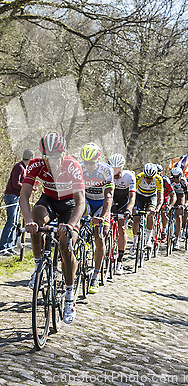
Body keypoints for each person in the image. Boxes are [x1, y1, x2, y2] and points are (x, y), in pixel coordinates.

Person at [20, 131, 85, 324]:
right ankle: (39, 264)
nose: (53, 162)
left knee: (66, 247)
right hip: (48, 200)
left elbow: (81, 202)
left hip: (70, 205)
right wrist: (27, 220)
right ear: (43, 155)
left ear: (63, 153)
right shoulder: (36, 164)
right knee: (37, 216)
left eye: (57, 157)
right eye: (49, 157)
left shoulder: (72, 166)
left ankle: (69, 295)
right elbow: (24, 195)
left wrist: (71, 225)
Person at [80, 142, 114, 294]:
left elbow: (109, 196)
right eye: (86, 163)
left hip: (101, 202)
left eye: (91, 163)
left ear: (98, 160)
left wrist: (104, 216)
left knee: (100, 235)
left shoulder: (106, 171)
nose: (88, 166)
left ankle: (95, 275)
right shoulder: (80, 168)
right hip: (86, 200)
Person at [0, 149, 34, 255]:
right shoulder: (19, 167)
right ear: (30, 158)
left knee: (14, 223)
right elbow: (16, 184)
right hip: (11, 196)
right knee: (10, 222)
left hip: (17, 197)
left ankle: (9, 246)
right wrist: (27, 187)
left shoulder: (24, 168)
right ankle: (3, 247)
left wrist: (30, 186)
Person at [108, 153, 136, 275]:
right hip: (112, 198)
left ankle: (119, 261)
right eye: (112, 169)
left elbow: (132, 197)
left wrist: (129, 210)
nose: (115, 172)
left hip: (124, 200)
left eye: (117, 169)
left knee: (122, 228)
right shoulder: (107, 174)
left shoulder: (129, 176)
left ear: (122, 167)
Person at [130, 163, 163, 254]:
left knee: (151, 214)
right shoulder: (139, 177)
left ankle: (148, 239)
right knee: (136, 218)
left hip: (152, 197)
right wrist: (131, 206)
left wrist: (157, 208)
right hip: (139, 196)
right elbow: (132, 193)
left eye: (151, 178)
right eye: (147, 177)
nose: (148, 180)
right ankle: (135, 242)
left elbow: (160, 196)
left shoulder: (158, 179)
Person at [169, 167, 188, 250]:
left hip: (181, 196)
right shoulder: (170, 181)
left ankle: (177, 239)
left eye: (177, 177)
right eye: (173, 177)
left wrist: (184, 205)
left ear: (181, 176)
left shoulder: (183, 182)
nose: (175, 179)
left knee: (179, 217)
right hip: (172, 195)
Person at [156, 164, 177, 242]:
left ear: (161, 173)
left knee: (163, 212)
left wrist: (170, 206)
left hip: (165, 199)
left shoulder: (165, 181)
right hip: (154, 198)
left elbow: (173, 194)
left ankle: (164, 231)